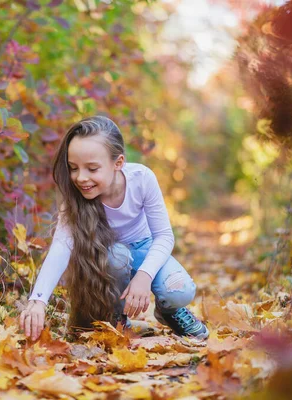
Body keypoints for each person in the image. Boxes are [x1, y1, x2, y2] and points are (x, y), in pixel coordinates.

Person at [20, 116, 209, 341]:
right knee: (117, 256)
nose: (81, 178)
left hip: (144, 248)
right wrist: (38, 301)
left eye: (92, 168)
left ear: (118, 163)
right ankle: (116, 320)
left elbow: (164, 236)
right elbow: (60, 248)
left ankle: (168, 311)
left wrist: (144, 277)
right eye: (73, 168)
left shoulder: (142, 179)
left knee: (180, 290)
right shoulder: (75, 200)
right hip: (108, 257)